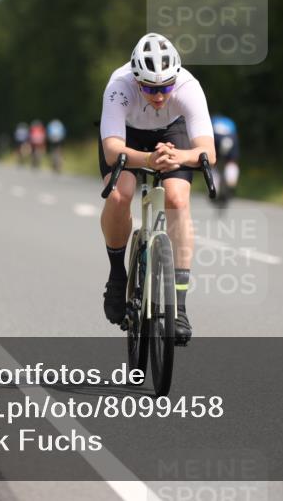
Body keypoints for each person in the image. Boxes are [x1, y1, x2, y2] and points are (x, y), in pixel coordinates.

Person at [99, 32, 215, 344]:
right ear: (136, 80)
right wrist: (149, 158)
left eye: (165, 87)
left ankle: (178, 306)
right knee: (120, 193)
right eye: (150, 87)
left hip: (172, 131)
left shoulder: (188, 87)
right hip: (129, 138)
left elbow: (208, 150)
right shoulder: (119, 86)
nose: (159, 94)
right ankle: (116, 274)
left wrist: (180, 156)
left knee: (177, 200)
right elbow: (113, 150)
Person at [210, 114, 240, 203]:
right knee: (231, 162)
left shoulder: (212, 120)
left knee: (213, 163)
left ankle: (214, 188)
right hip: (231, 138)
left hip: (216, 138)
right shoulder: (229, 121)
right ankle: (231, 184)